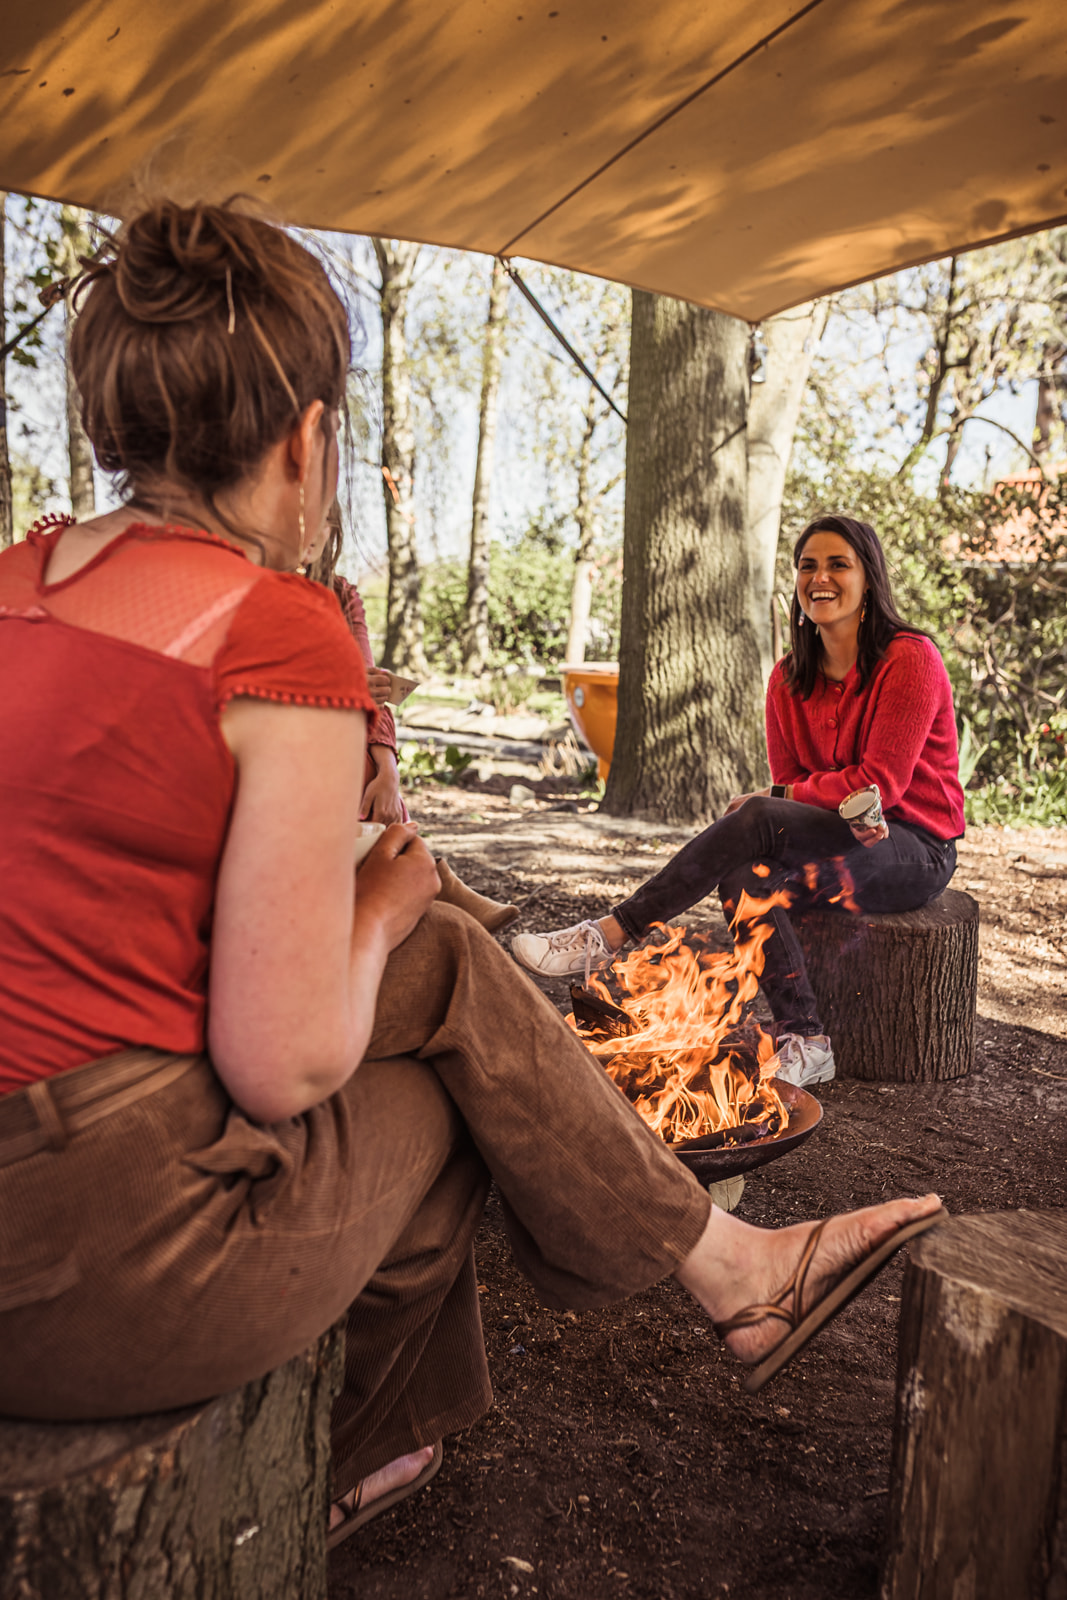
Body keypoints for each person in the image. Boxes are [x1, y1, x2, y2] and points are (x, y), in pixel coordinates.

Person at [0, 203, 942, 1549]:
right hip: (82, 1260)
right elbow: (280, 1065)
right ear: (308, 442)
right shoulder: (273, 629)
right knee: (448, 1036)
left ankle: (548, 1348)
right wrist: (384, 906)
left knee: (450, 971)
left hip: (42, 1156)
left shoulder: (16, 582)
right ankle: (649, 1303)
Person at [513, 515, 965, 1089]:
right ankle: (807, 1039)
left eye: (838, 565)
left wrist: (777, 798)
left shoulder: (910, 657)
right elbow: (794, 791)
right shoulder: (788, 679)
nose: (820, 578)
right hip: (840, 837)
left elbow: (881, 785)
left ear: (869, 579)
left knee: (757, 812)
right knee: (742, 872)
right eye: (807, 566)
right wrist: (783, 799)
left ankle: (611, 933)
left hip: (915, 846)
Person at [306, 504, 519, 930]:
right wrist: (339, 687)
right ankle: (426, 880)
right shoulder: (257, 589)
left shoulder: (342, 594)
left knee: (367, 754)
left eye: (325, 521)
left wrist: (389, 770)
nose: (315, 531)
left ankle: (418, 878)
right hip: (291, 734)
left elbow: (373, 693)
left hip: (344, 736)